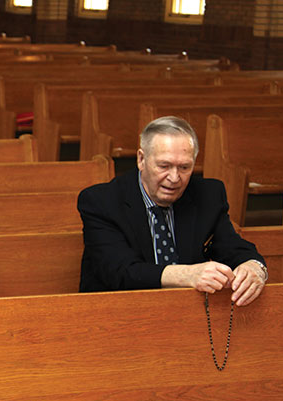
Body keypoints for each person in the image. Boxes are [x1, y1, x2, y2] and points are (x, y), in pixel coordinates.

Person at [78, 116, 266, 306]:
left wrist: (253, 267)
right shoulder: (101, 201)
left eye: (184, 167)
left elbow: (232, 247)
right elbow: (120, 271)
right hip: (116, 312)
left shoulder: (208, 195)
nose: (175, 178)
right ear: (141, 159)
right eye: (164, 166)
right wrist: (188, 274)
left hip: (187, 313)